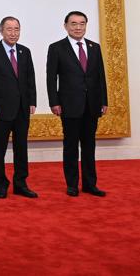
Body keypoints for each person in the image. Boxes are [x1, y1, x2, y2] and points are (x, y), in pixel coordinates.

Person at [47, 11, 108, 197]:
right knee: (71, 146)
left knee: (89, 146)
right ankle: (72, 185)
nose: (78, 27)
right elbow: (51, 78)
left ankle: (90, 184)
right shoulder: (57, 48)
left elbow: (100, 77)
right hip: (69, 105)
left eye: (82, 23)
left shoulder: (94, 47)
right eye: (73, 23)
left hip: (92, 105)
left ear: (86, 25)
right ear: (65, 26)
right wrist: (54, 102)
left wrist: (104, 101)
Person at [0, 17, 37, 199]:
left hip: (22, 109)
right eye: (9, 29)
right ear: (1, 31)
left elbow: (30, 79)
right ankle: (1, 184)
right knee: (0, 149)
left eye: (16, 29)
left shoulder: (25, 52)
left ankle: (21, 183)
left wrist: (32, 102)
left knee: (21, 148)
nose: (13, 33)